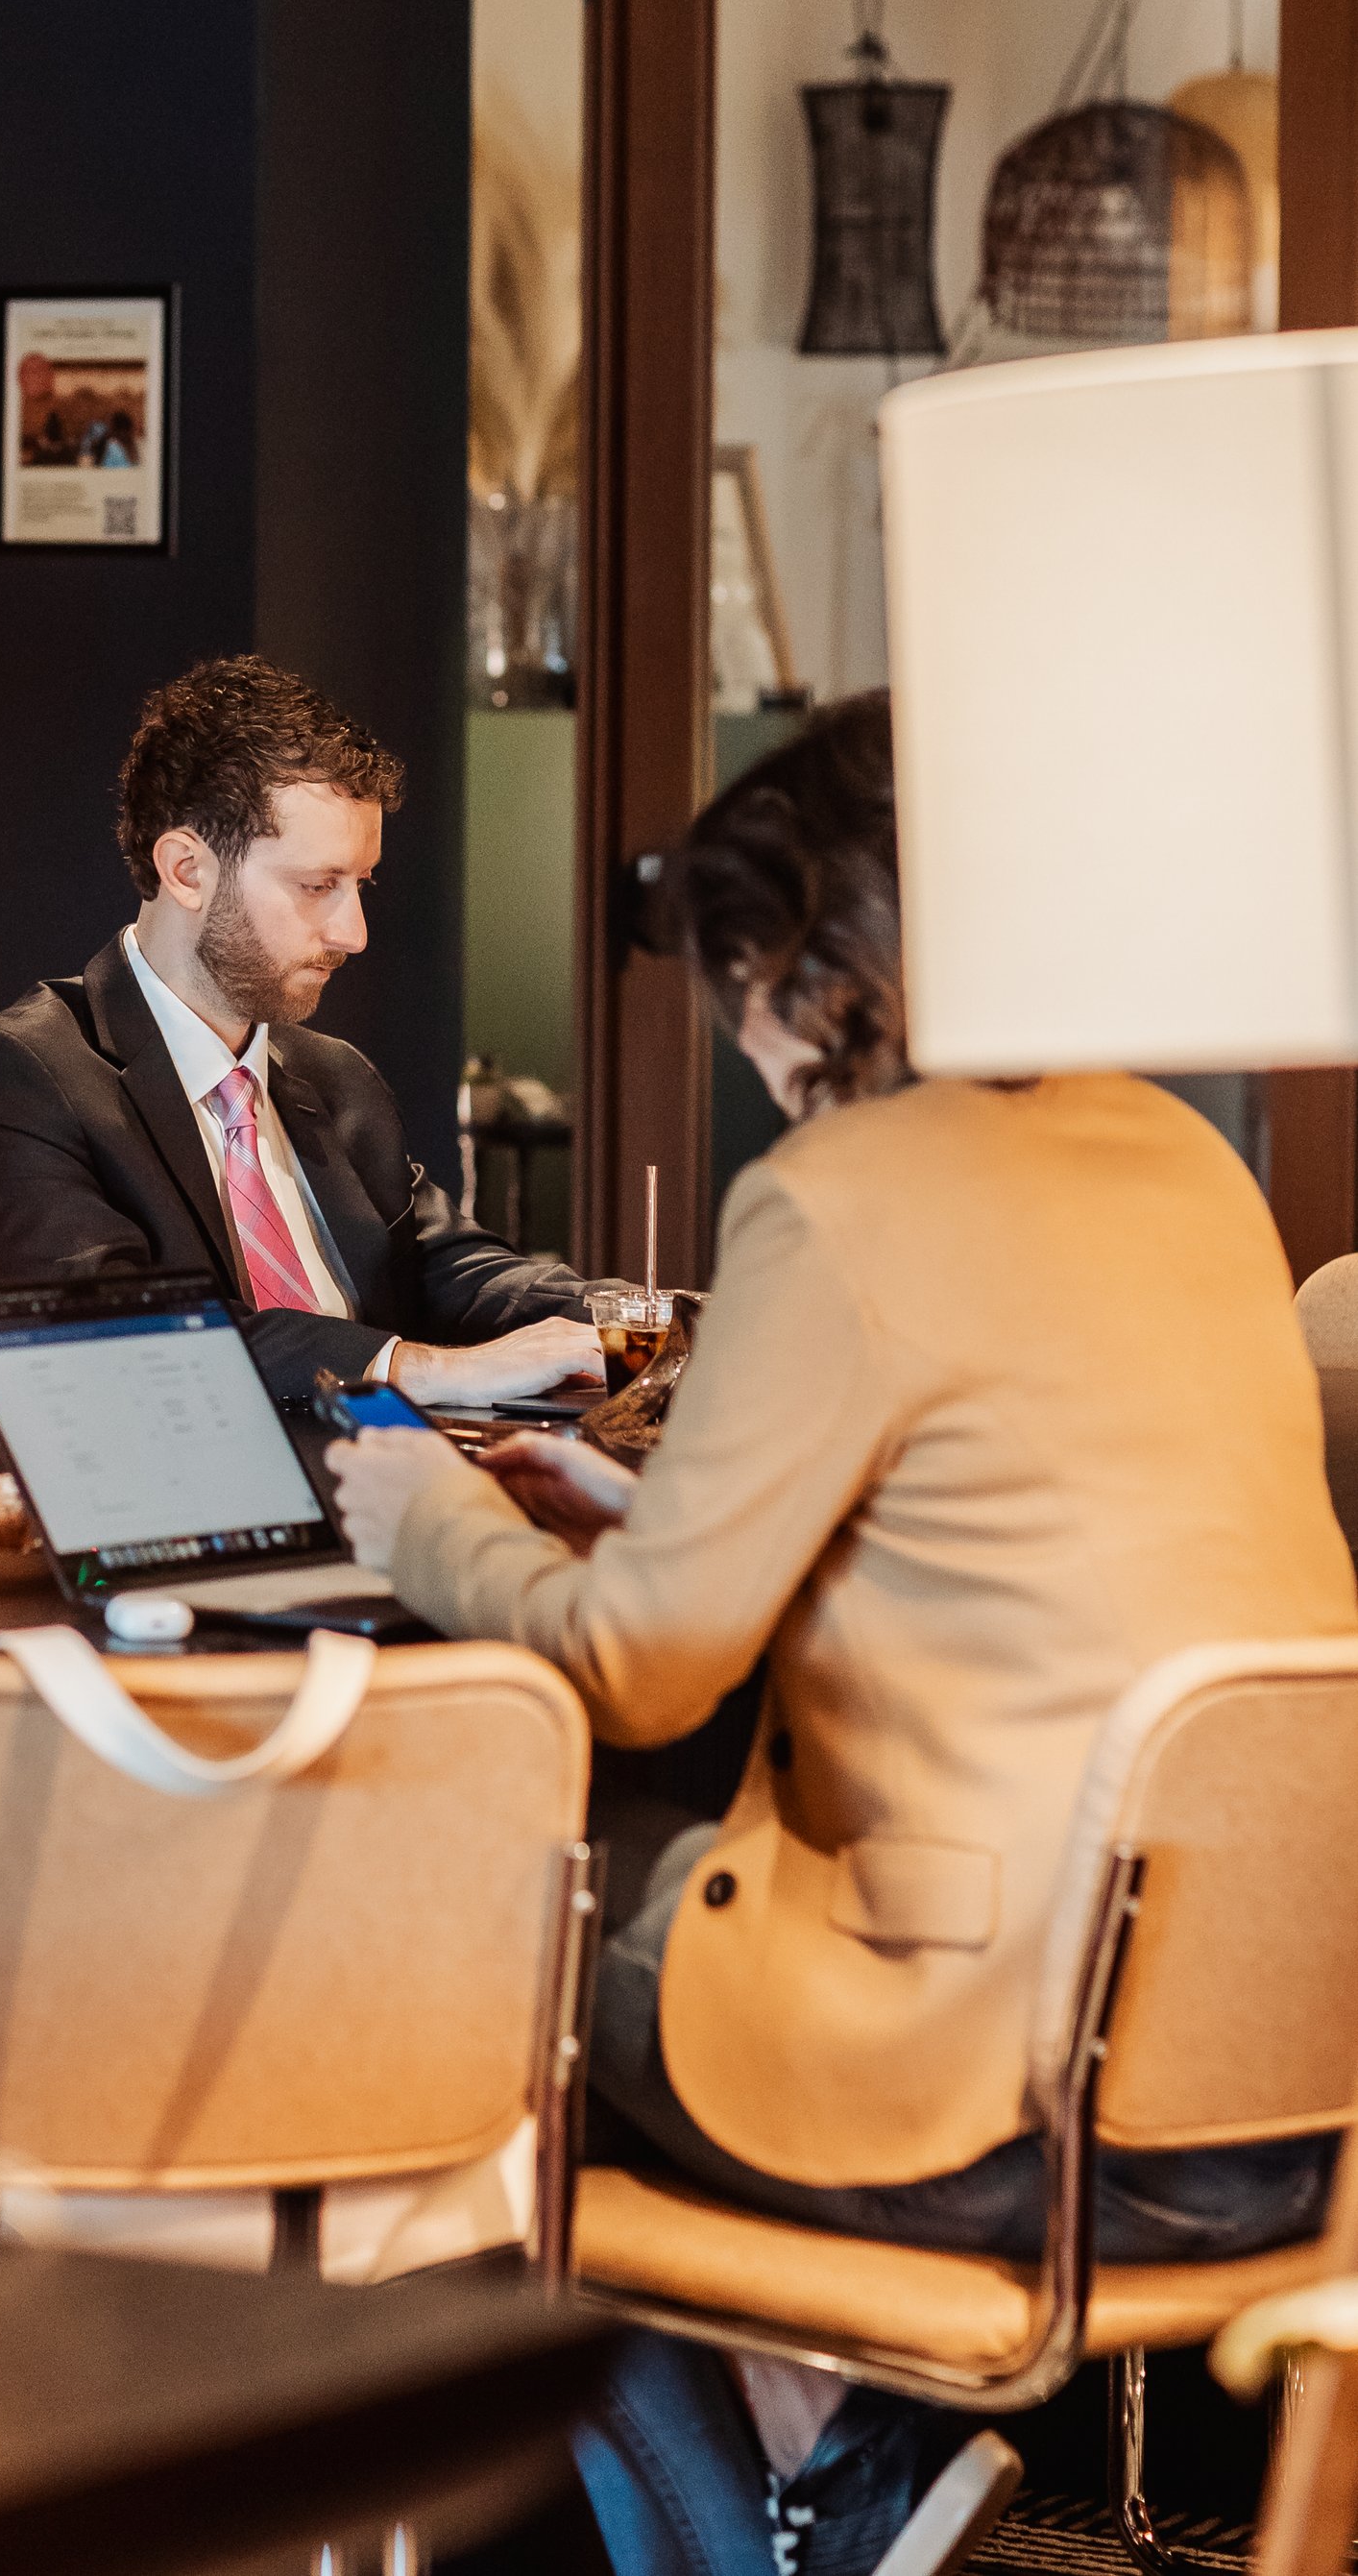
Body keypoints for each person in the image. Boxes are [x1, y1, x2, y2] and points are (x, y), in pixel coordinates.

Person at [327, 691, 1358, 2576]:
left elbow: (641, 1666)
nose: (733, 1024)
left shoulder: (832, 1196)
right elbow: (1018, 1562)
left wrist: (434, 1526)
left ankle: (785, 2519)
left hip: (1002, 2091)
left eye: (737, 969)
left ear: (820, 960)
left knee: (433, 1967)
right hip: (1264, 2087)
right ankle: (828, 2452)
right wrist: (662, 1527)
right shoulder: (1191, 1170)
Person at [0, 653, 599, 1412]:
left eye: (360, 886)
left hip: (373, 1487)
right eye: (317, 886)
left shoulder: (335, 1078)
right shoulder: (12, 1081)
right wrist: (417, 1367)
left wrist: (651, 1319)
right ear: (185, 870)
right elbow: (127, 1341)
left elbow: (453, 1270)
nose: (355, 933)